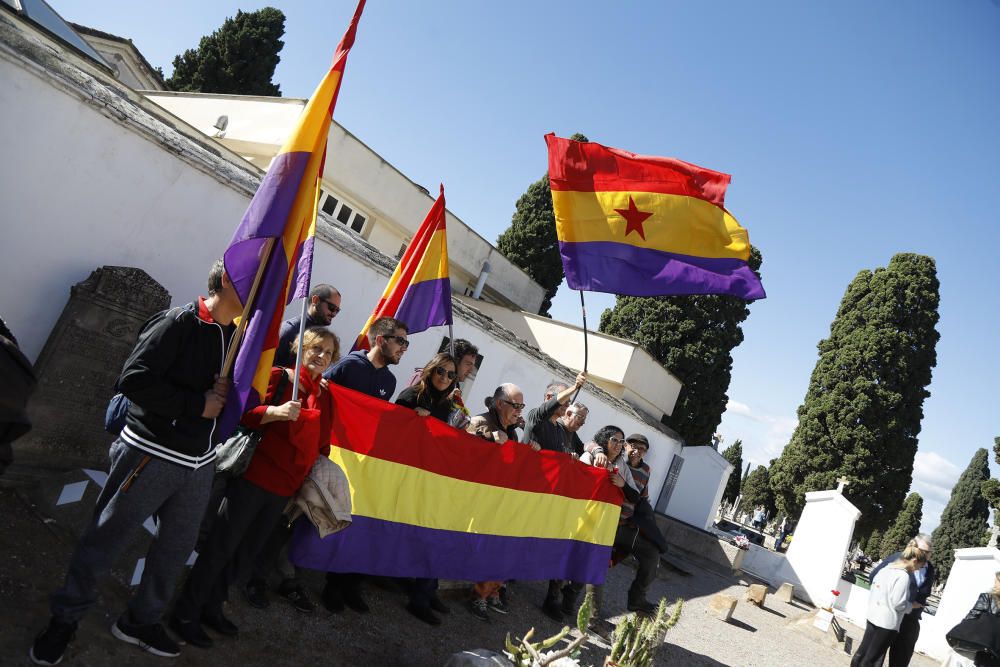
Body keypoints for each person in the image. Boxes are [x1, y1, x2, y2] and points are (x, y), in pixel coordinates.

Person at [30, 260, 241, 665]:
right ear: (228, 279)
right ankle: (65, 618)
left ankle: (140, 621)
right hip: (151, 453)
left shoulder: (237, 339)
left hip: (199, 462)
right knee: (107, 539)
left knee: (175, 549)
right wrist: (198, 404)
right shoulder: (177, 321)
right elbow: (133, 379)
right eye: (252, 279)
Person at [171, 327, 339, 648]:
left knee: (245, 553)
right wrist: (273, 412)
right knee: (222, 544)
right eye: (316, 348)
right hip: (255, 476)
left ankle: (212, 606)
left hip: (285, 487)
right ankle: (185, 611)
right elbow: (244, 414)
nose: (321, 356)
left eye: (328, 352)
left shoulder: (326, 394)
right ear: (301, 348)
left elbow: (323, 442)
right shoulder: (280, 378)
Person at [320, 316, 408, 614]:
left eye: (407, 343)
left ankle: (345, 583)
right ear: (380, 340)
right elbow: (321, 397)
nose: (404, 348)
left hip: (363, 463)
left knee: (357, 522)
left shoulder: (390, 381)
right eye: (400, 341)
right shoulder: (349, 366)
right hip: (329, 456)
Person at [394, 353, 459, 625]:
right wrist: (412, 418)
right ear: (431, 370)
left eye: (450, 374)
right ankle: (346, 583)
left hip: (427, 479)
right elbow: (391, 428)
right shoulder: (412, 395)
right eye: (441, 371)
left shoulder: (447, 406)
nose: (444, 378)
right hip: (400, 474)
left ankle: (422, 595)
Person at [464, 384, 525, 622]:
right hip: (471, 500)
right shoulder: (480, 421)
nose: (519, 411)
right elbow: (462, 451)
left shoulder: (513, 432)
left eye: (522, 406)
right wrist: (488, 437)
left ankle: (488, 593)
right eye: (515, 405)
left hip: (494, 500)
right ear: (500, 404)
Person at [850, 543, 929, 667]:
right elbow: (898, 603)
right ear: (914, 561)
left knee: (862, 653)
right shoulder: (903, 576)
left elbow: (874, 586)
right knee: (871, 660)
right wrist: (911, 606)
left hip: (873, 616)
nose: (918, 570)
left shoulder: (886, 569)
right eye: (919, 566)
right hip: (887, 623)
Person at [274, 284, 341, 367]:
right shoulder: (290, 330)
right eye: (331, 307)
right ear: (315, 300)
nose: (334, 313)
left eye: (337, 310)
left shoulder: (325, 337)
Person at [521, 374, 587, 453]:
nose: (567, 405)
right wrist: (575, 387)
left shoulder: (560, 430)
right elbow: (548, 407)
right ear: (549, 398)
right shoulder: (535, 416)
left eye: (568, 401)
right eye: (564, 399)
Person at [955, 571, 1000, 667]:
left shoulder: (987, 597)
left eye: (996, 581)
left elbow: (972, 617)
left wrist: (960, 634)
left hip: (985, 645)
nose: (994, 583)